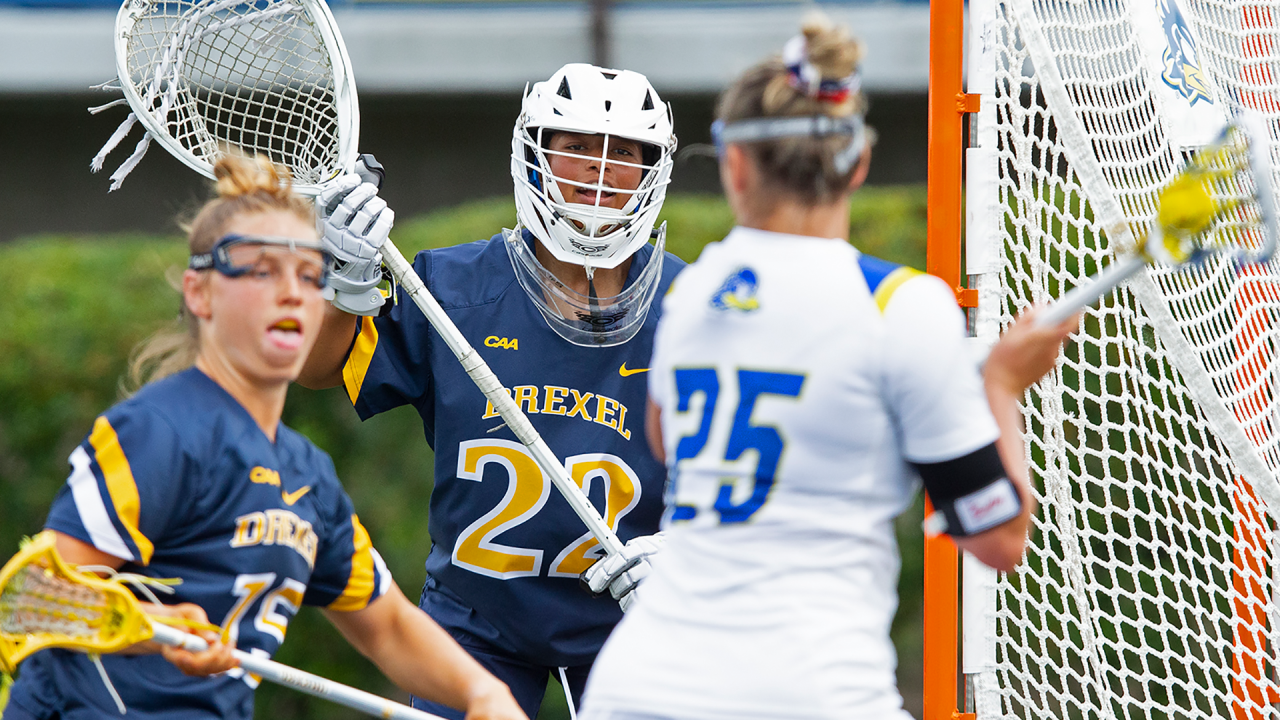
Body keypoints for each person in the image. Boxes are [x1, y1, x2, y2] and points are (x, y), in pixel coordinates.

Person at [579, 14, 1079, 720]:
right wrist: (1001, 385)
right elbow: (998, 536)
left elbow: (670, 444)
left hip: (637, 688)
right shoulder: (901, 306)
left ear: (736, 165)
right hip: (809, 690)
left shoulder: (695, 291)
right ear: (859, 163)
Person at [1, 155, 526, 720]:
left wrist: (485, 694)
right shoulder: (161, 434)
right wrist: (153, 628)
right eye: (259, 270)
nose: (291, 292)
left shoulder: (307, 477)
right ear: (199, 293)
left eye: (309, 274)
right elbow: (25, 600)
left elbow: (390, 627)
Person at [297, 63, 684, 719]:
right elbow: (317, 369)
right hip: (478, 622)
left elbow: (752, 471)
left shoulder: (692, 305)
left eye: (623, 152)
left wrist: (691, 563)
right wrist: (343, 285)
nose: (599, 170)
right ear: (533, 157)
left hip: (636, 614)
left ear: (654, 170)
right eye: (579, 147)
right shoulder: (452, 286)